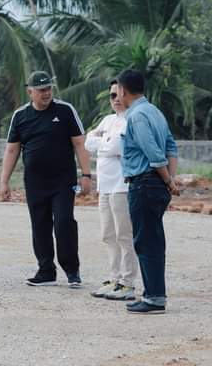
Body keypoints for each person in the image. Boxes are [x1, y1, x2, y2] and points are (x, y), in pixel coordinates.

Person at [0, 71, 91, 288]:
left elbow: (80, 144)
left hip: (63, 180)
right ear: (30, 92)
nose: (46, 93)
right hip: (35, 181)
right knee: (39, 224)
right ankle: (46, 270)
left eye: (49, 89)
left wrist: (86, 175)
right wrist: (4, 181)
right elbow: (12, 150)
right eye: (41, 90)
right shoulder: (20, 116)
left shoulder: (65, 110)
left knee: (64, 222)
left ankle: (72, 270)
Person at [116, 69, 179, 314]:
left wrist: (167, 180)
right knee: (153, 239)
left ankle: (154, 298)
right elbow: (171, 146)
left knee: (146, 241)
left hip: (145, 183)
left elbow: (153, 152)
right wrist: (170, 179)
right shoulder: (155, 112)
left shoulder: (137, 115)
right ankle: (154, 294)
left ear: (123, 90)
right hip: (155, 183)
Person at [85, 80, 137, 301]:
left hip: (122, 186)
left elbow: (117, 147)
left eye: (118, 94)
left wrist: (103, 144)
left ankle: (127, 282)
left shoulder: (131, 119)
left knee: (124, 235)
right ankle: (114, 278)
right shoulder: (108, 120)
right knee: (107, 235)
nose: (115, 99)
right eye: (111, 95)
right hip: (104, 187)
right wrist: (105, 145)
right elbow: (88, 142)